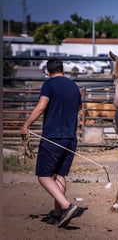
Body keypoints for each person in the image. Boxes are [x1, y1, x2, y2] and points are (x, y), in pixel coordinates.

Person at [20, 58, 82, 228]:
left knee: (44, 176)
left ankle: (66, 206)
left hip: (53, 138)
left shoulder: (49, 84)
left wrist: (26, 125)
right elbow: (78, 109)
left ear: (48, 71)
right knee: (59, 175)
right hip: (70, 138)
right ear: (62, 69)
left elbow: (41, 107)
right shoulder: (73, 86)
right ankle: (57, 214)